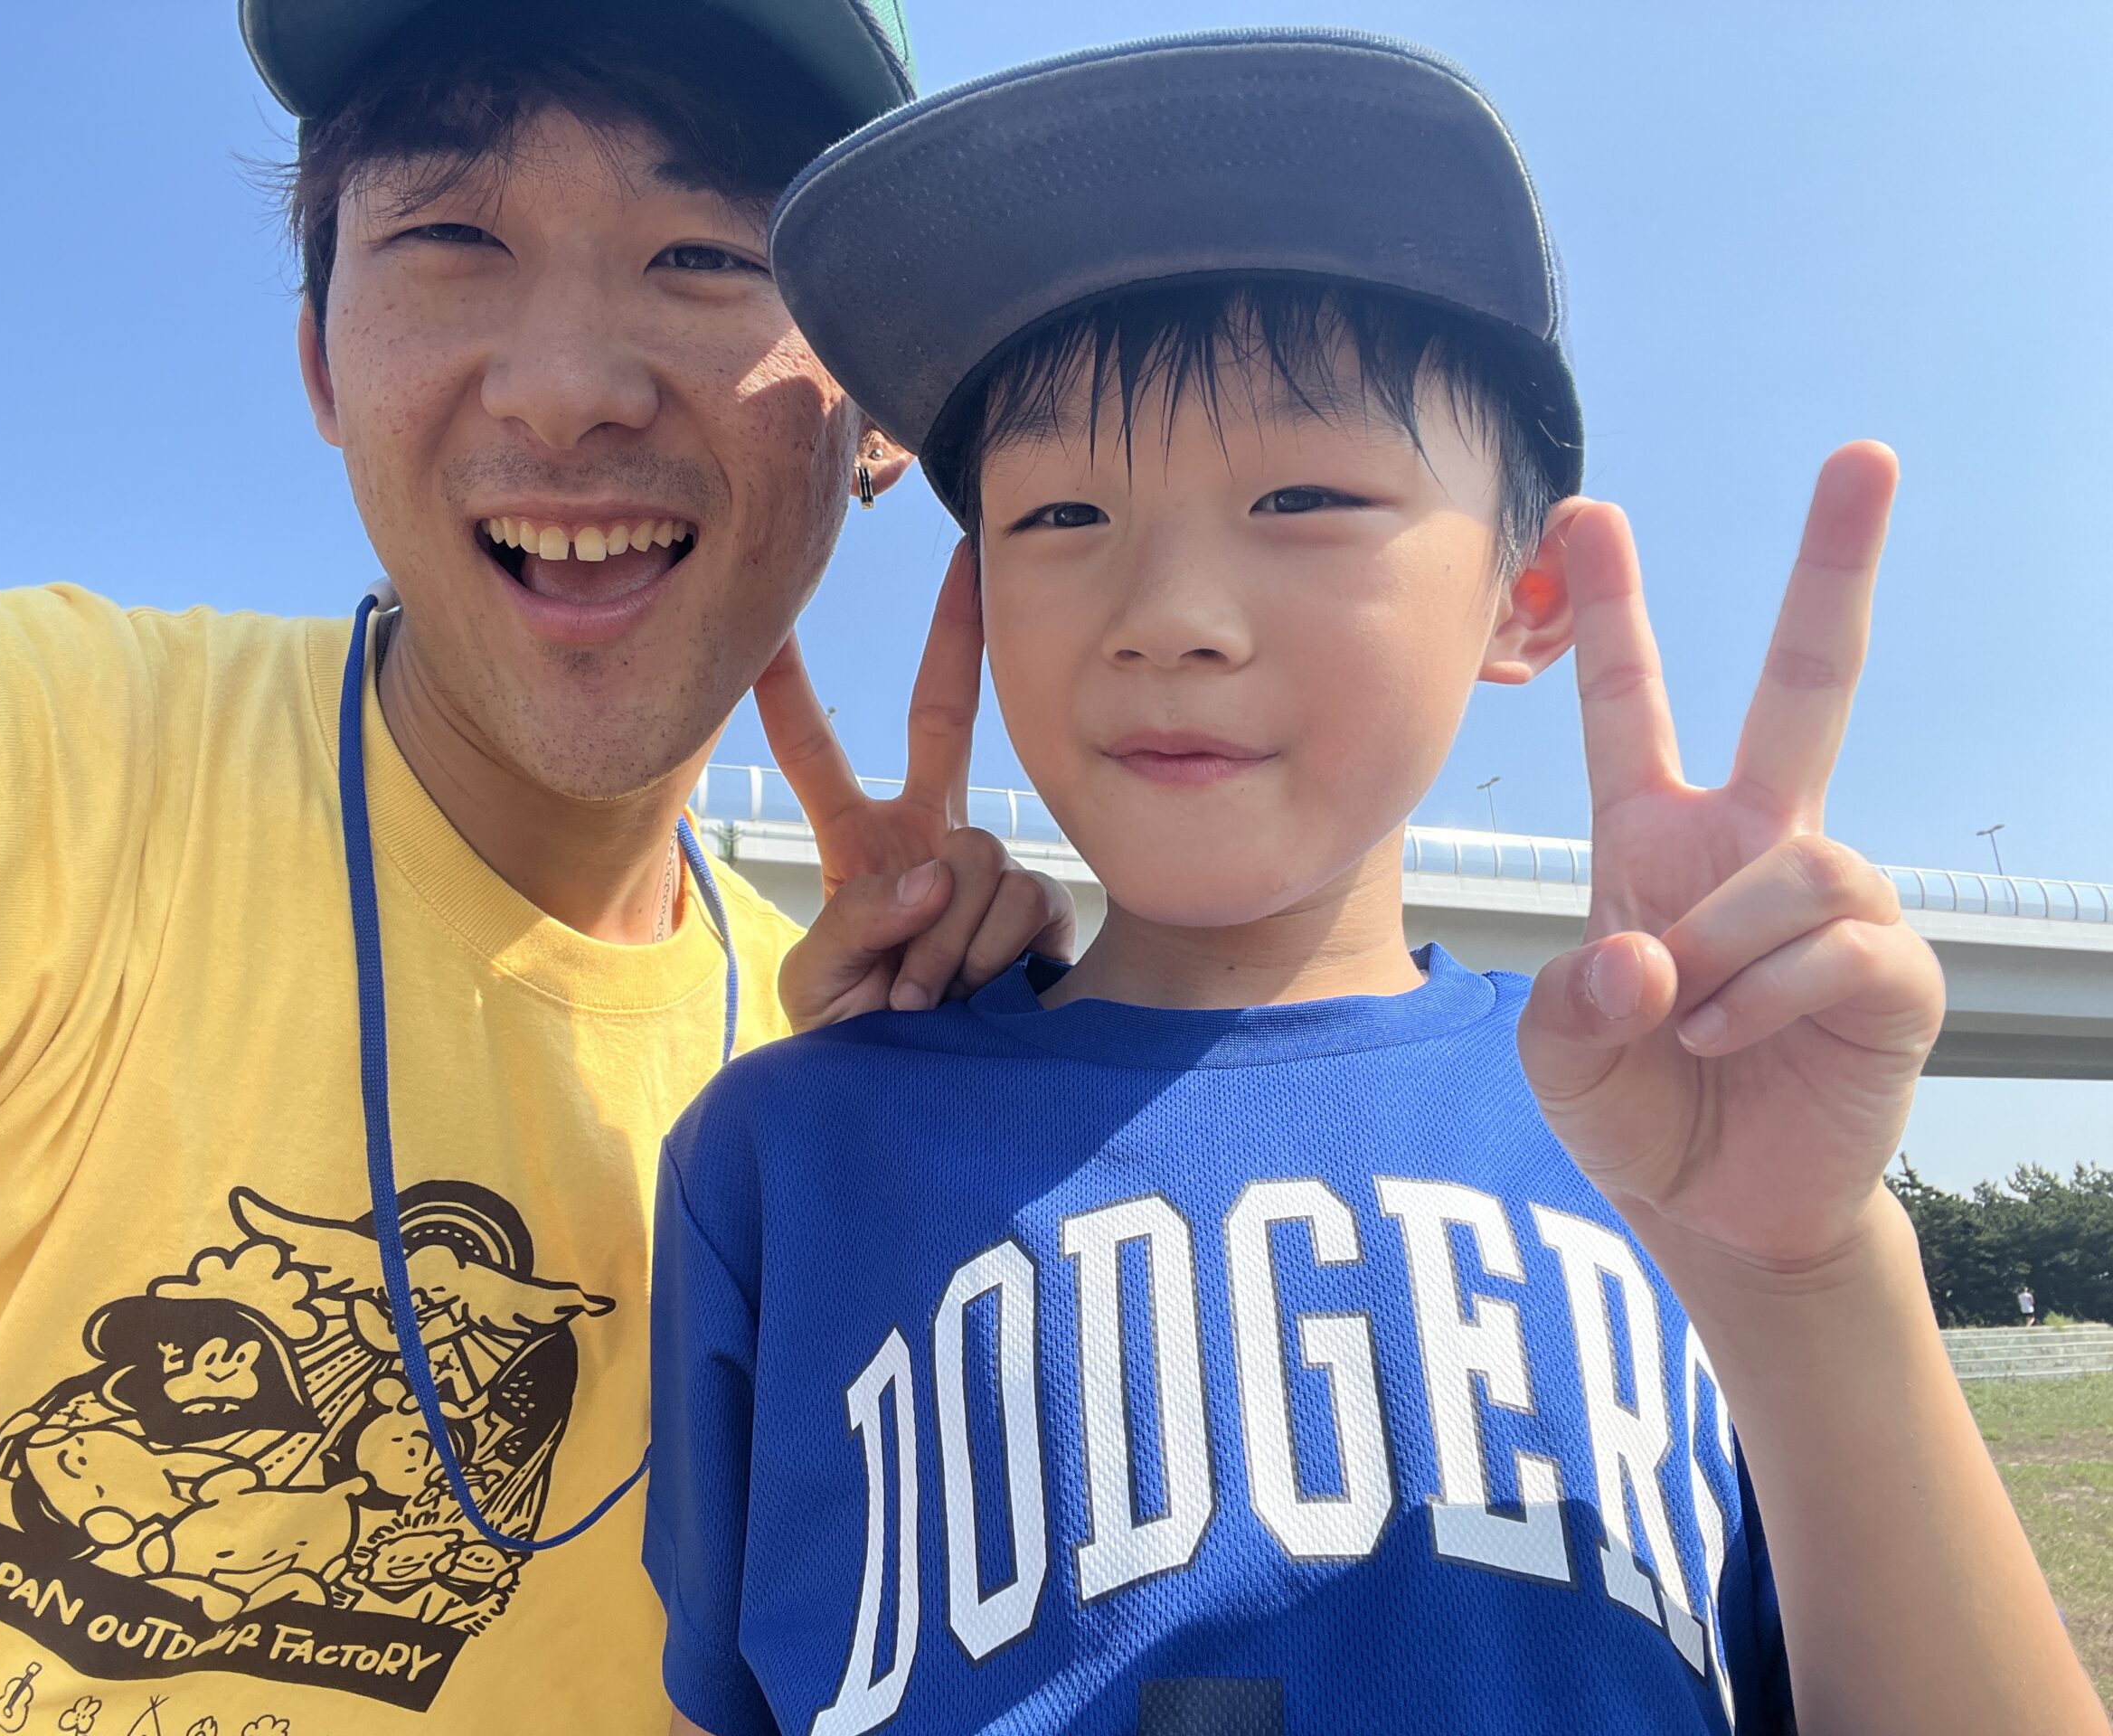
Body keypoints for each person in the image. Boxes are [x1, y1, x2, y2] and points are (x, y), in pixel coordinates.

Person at [644, 30, 2108, 1736]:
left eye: (1304, 494)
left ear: (1526, 596)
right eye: (1061, 516)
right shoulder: (785, 1154)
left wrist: (1811, 1277)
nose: (1170, 613)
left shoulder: (1665, 1128)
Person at [0, 2, 1074, 1730]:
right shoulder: (30, 768)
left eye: (707, 253)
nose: (566, 388)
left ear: (879, 409)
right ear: (321, 357)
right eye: (454, 237)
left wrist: (966, 1117)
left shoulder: (832, 1084)